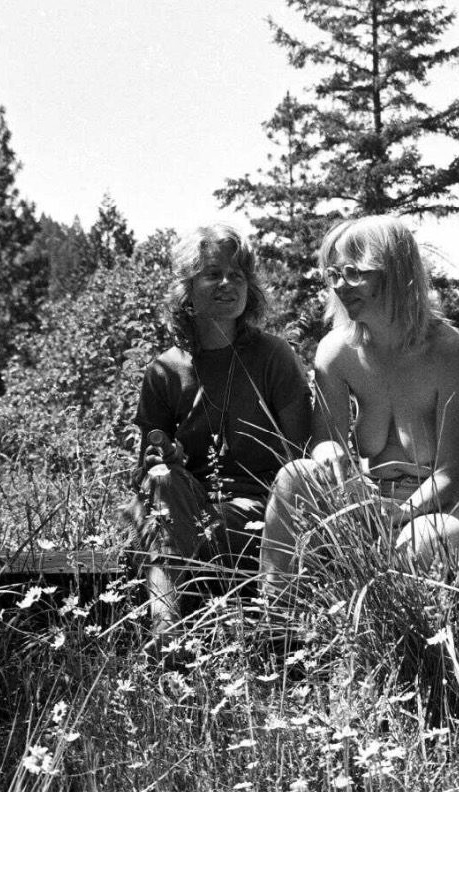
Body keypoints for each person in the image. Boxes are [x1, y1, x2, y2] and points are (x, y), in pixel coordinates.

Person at [258, 215, 459, 581]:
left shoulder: (448, 352)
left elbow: (452, 475)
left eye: (355, 273)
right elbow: (326, 439)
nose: (341, 286)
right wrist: (330, 454)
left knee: (434, 537)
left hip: (431, 511)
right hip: (363, 503)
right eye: (334, 274)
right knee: (294, 475)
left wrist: (403, 513)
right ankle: (274, 619)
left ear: (395, 272)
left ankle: (404, 630)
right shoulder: (336, 351)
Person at [126, 224, 311, 642]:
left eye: (238, 275)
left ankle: (207, 632)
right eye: (213, 274)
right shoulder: (165, 370)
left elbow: (300, 455)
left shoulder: (273, 356)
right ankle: (167, 633)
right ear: (186, 289)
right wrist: (163, 457)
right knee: (161, 482)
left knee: (187, 525)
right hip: (185, 508)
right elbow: (147, 465)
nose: (228, 283)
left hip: (262, 510)